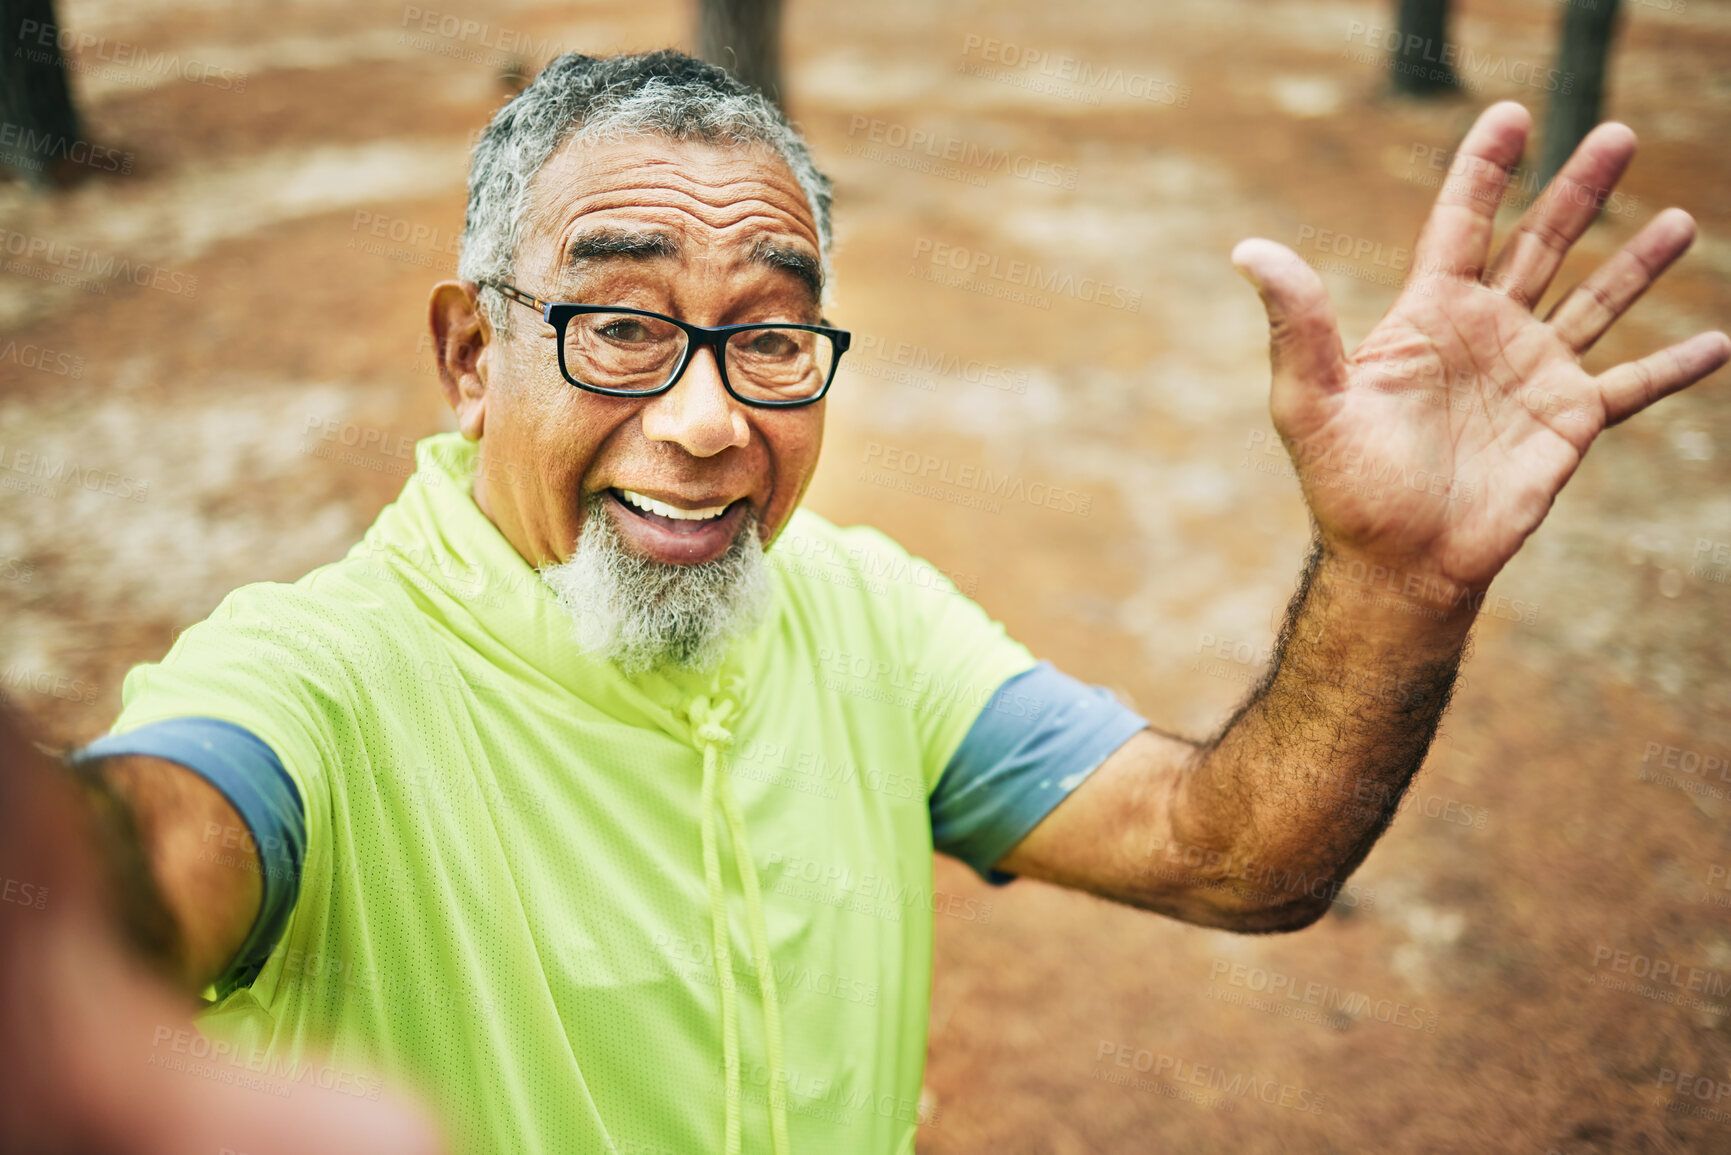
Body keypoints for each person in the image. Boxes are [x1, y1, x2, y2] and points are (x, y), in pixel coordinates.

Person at [47, 48, 1728, 1155]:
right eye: (619, 326)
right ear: (474, 356)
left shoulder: (856, 615)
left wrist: (1395, 582)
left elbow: (1229, 851)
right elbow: (132, 872)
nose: (710, 423)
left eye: (770, 338)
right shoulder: (318, 683)